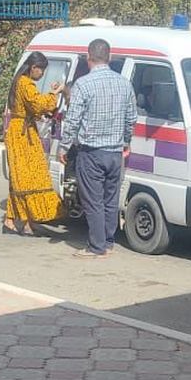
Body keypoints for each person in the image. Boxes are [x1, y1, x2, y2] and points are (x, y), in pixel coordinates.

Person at [58, 39, 137, 259]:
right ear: (109, 57)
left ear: (88, 57)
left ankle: (96, 246)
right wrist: (126, 141)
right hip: (115, 153)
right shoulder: (124, 84)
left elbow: (73, 120)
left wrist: (64, 147)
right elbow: (131, 118)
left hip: (91, 153)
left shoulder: (83, 84)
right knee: (110, 200)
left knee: (93, 200)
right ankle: (108, 242)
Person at [4, 51, 65, 236]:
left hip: (23, 130)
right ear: (34, 68)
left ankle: (21, 220)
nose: (42, 74)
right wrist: (54, 93)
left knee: (21, 177)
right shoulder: (26, 83)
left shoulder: (21, 82)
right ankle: (21, 220)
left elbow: (34, 108)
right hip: (22, 134)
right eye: (42, 70)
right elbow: (38, 105)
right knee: (28, 177)